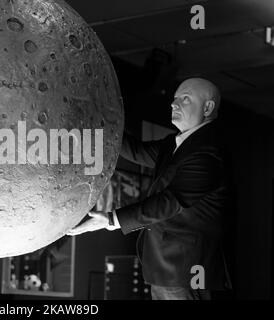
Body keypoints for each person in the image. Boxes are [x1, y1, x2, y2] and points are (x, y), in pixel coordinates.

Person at [68, 78, 231, 300]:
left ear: (208, 107)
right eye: (174, 99)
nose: (174, 104)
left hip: (187, 269)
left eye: (185, 99)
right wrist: (95, 124)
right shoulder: (175, 145)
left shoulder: (208, 152)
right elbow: (135, 151)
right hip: (168, 270)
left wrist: (112, 220)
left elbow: (170, 202)